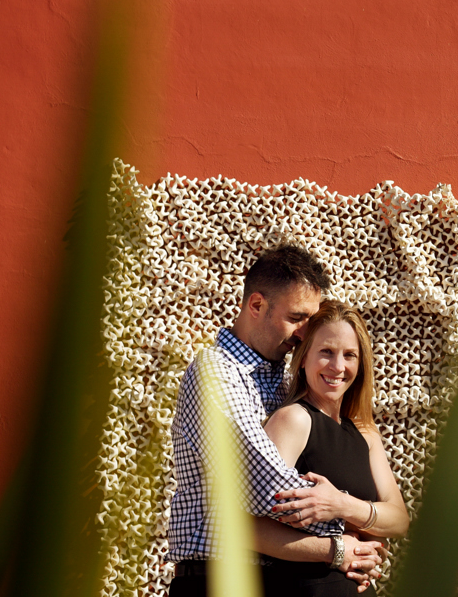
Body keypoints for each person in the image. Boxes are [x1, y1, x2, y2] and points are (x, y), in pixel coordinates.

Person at [167, 245, 386, 596]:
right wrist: (354, 532)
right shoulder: (216, 373)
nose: (303, 333)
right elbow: (266, 488)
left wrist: (356, 524)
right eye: (297, 318)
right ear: (256, 306)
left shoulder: (281, 381)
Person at [256, 300, 410, 597]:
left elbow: (399, 520)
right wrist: (337, 550)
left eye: (349, 355)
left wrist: (340, 505)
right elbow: (249, 528)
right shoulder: (294, 420)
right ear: (303, 358)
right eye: (326, 352)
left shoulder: (366, 434)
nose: (338, 366)